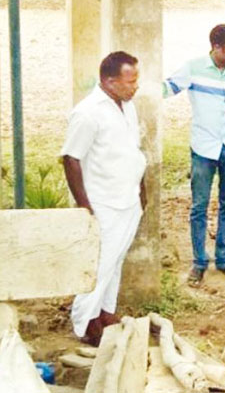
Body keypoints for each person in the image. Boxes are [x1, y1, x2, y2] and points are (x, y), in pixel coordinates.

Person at [62, 51, 147, 346]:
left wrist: (142, 188)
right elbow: (71, 159)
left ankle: (106, 313)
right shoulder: (88, 112)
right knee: (99, 265)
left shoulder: (127, 106)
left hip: (128, 198)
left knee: (116, 261)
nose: (135, 86)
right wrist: (85, 206)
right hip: (103, 202)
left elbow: (133, 149)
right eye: (130, 80)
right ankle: (84, 324)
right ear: (109, 81)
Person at [163, 24, 225, 287]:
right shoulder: (193, 68)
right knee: (199, 207)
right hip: (203, 148)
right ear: (217, 48)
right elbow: (168, 88)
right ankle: (199, 263)